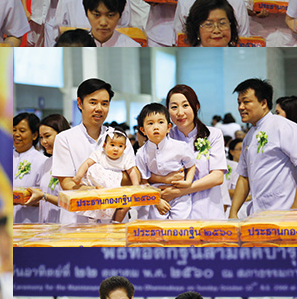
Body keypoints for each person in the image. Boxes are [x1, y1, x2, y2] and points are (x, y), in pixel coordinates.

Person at [52, 78, 133, 226]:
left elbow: (132, 176)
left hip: (114, 220)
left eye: (104, 103)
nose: (99, 108)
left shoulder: (119, 138)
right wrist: (98, 190)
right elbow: (67, 182)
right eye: (93, 102)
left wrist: (97, 183)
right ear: (80, 103)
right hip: (77, 222)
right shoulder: (65, 139)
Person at [229, 79, 297, 216]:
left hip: (286, 210)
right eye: (239, 103)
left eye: (246, 102)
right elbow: (244, 177)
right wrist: (233, 212)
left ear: (263, 103)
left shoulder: (283, 126)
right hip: (259, 213)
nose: (240, 107)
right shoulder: (249, 136)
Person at [165, 85, 227, 220]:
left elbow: (217, 177)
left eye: (185, 105)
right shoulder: (165, 139)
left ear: (196, 106)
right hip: (177, 216)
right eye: (174, 107)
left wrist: (181, 191)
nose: (180, 113)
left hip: (209, 212)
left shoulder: (213, 135)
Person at [135, 103, 196, 219]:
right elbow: (143, 181)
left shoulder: (180, 146)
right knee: (159, 229)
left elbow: (191, 165)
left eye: (160, 122)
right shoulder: (141, 153)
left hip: (179, 194)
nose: (156, 127)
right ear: (143, 130)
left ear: (168, 127)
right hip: (156, 196)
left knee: (179, 227)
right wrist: (156, 201)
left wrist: (188, 182)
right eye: (150, 123)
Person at [13, 112, 48, 224]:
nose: (16, 134)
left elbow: (46, 196)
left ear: (34, 135)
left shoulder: (42, 161)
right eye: (14, 130)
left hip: (29, 222)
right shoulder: (3, 157)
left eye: (22, 131)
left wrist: (21, 199)